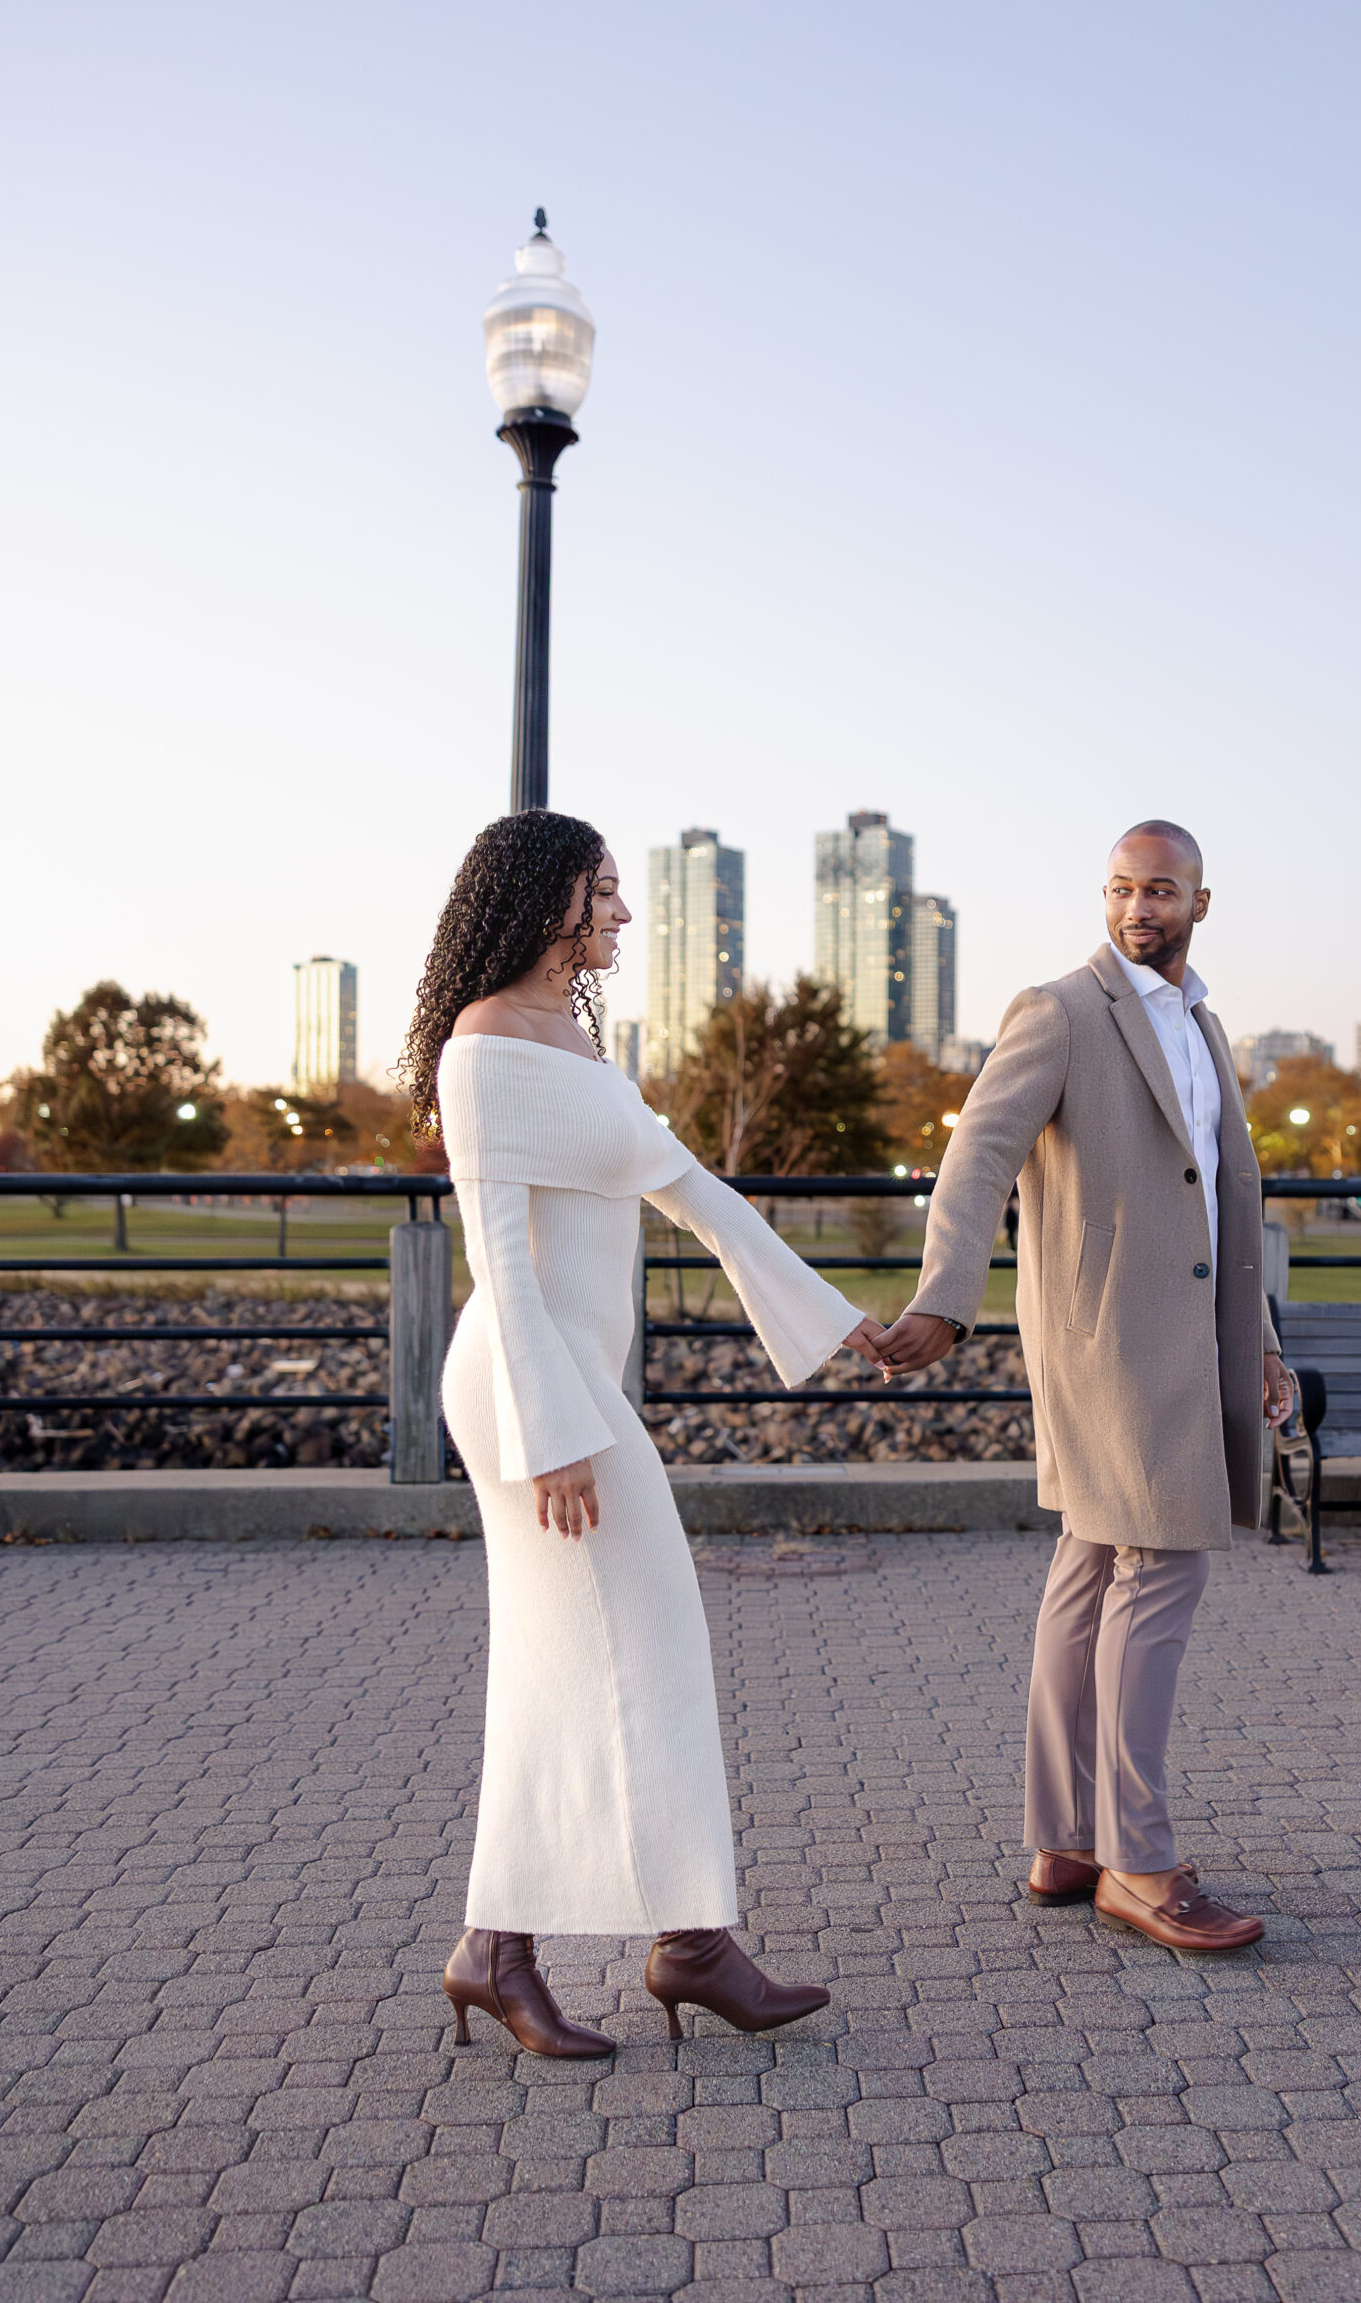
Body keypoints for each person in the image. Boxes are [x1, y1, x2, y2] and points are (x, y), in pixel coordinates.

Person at [400, 810, 888, 2055]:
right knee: (642, 1631)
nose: (621, 912)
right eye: (602, 891)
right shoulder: (481, 1048)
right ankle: (675, 1943)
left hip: (569, 1382)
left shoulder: (577, 1045)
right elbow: (501, 1260)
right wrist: (551, 1429)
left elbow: (696, 1193)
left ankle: (526, 1947)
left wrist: (838, 1321)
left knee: (575, 1655)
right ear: (543, 902)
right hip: (530, 1385)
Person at [877, 820, 1292, 1952]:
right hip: (1106, 1345)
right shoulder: (1061, 1010)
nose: (1135, 908)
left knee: (1092, 1567)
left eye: (1158, 890)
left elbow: (1223, 1203)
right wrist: (945, 1297)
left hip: (1189, 1338)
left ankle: (1063, 1839)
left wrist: (1258, 1341)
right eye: (1118, 888)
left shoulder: (1201, 1023)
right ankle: (1138, 1863)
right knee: (1162, 1568)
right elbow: (977, 1153)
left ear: (1200, 902)